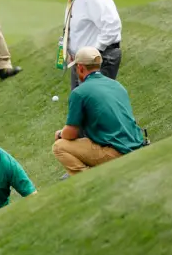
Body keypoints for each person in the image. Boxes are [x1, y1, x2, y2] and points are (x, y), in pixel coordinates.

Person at [52, 46, 144, 176]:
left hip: (117, 152)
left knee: (59, 147)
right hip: (136, 144)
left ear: (80, 68)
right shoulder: (116, 85)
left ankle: (91, 178)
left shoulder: (79, 92)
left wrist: (60, 134)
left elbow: (71, 133)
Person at [45, 0, 122, 91]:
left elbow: (112, 26)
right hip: (81, 62)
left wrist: (91, 55)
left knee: (94, 106)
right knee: (80, 105)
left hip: (98, 61)